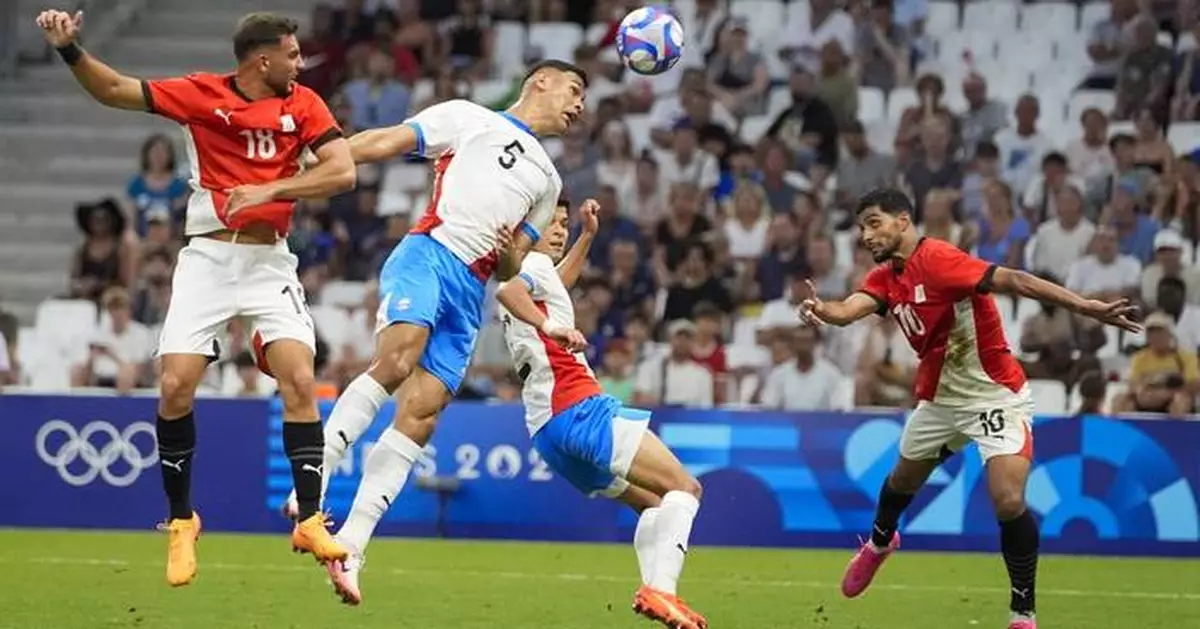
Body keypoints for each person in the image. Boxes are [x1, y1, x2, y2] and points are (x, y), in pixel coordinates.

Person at [36, 8, 358, 586]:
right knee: (175, 384)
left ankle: (310, 518)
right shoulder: (199, 94)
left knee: (301, 380)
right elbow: (112, 89)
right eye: (290, 54)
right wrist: (69, 49)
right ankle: (182, 520)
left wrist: (273, 187)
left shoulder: (303, 104)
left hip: (268, 261)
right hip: (207, 259)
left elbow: (343, 172)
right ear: (262, 58)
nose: (298, 62)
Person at [279, 59, 591, 604]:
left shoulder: (549, 181)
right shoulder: (469, 117)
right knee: (398, 360)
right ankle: (316, 474)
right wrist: (324, 157)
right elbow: (385, 141)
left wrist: (515, 253)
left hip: (471, 287)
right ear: (539, 80)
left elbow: (511, 266)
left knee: (421, 415)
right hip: (430, 253)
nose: (579, 103)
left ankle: (352, 546)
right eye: (574, 88)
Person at [798, 188, 1141, 629]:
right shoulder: (887, 278)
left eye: (874, 222)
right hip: (940, 400)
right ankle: (881, 542)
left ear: (903, 221)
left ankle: (1023, 614)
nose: (866, 234)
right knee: (901, 479)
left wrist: (1087, 307)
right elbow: (848, 310)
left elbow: (1015, 280)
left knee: (1008, 498)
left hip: (994, 395)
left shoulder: (939, 260)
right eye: (862, 226)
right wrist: (822, 309)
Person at [496, 201, 707, 629]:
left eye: (562, 223)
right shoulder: (529, 268)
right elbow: (510, 291)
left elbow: (552, 284)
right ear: (528, 229)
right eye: (551, 223)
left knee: (650, 502)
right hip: (576, 406)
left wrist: (587, 236)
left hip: (547, 430)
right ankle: (661, 590)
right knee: (685, 488)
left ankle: (659, 599)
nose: (559, 230)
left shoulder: (535, 272)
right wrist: (553, 328)